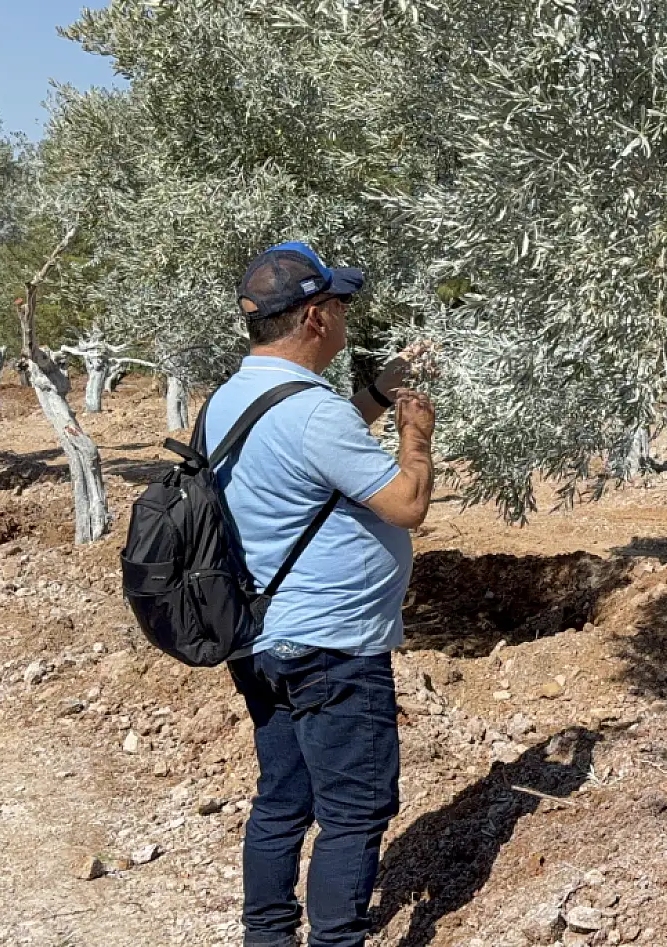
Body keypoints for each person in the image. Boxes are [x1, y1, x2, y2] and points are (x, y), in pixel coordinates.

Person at [206, 241, 435, 947]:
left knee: (282, 799)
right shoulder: (313, 414)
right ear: (313, 317)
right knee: (354, 812)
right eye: (337, 305)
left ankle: (267, 937)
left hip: (262, 637)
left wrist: (374, 393)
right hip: (332, 649)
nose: (342, 318)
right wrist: (416, 436)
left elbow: (307, 455)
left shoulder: (229, 398)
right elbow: (405, 503)